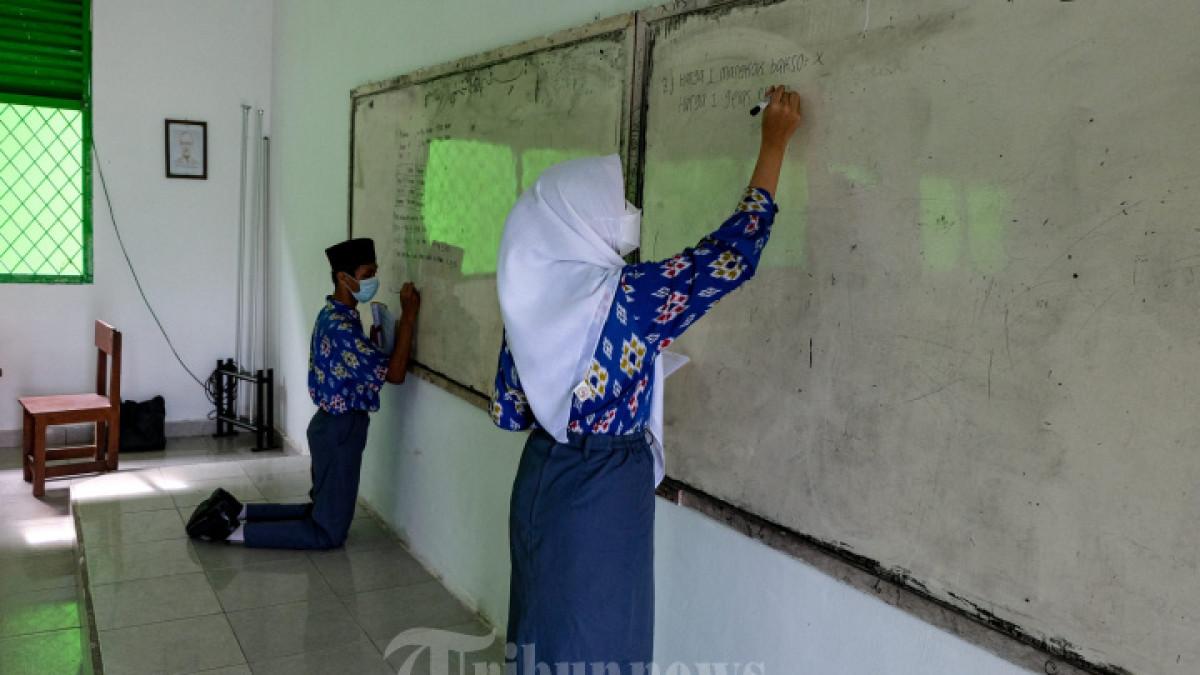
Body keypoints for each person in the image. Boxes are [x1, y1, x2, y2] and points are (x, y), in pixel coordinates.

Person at [491, 86, 803, 671]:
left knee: (547, 632)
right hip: (602, 489)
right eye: (615, 204)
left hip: (543, 479)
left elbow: (514, 407)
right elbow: (732, 255)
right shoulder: (627, 298)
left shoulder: (532, 298)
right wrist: (775, 145)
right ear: (581, 220)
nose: (628, 212)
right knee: (602, 637)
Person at [185, 237, 420, 549]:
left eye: (374, 272)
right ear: (343, 277)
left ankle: (240, 511)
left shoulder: (335, 313)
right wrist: (409, 318)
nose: (372, 281)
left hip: (330, 426)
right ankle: (231, 532)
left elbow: (357, 365)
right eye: (366, 274)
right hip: (341, 429)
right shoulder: (342, 327)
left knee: (319, 511)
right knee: (327, 533)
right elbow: (395, 374)